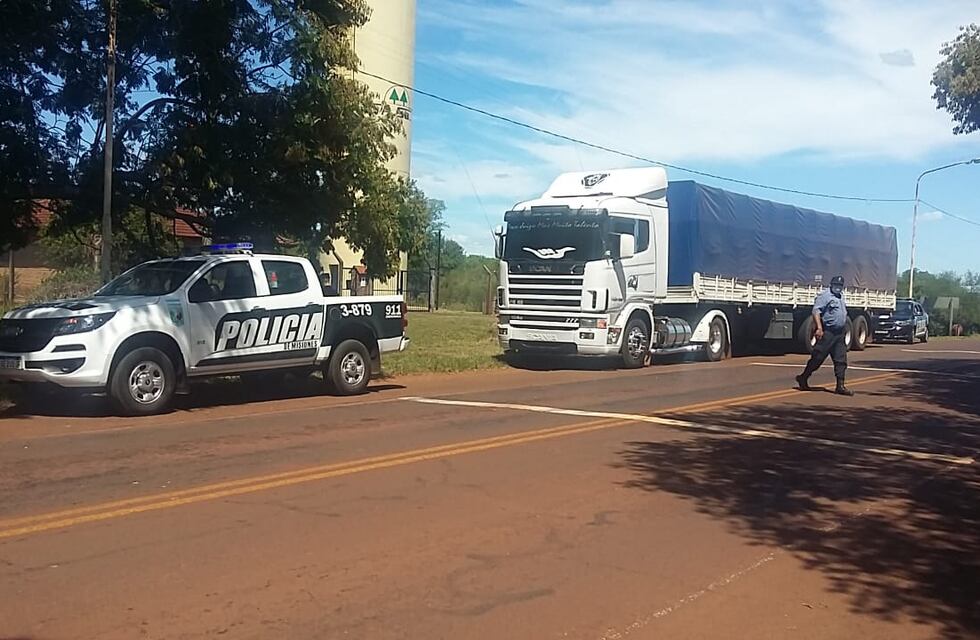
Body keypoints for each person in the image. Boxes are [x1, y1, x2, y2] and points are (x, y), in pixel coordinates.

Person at [796, 275, 853, 396]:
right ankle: (804, 377)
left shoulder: (840, 296)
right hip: (828, 332)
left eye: (840, 286)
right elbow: (816, 311)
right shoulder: (825, 296)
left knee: (841, 360)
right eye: (836, 285)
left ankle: (840, 385)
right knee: (818, 357)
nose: (838, 288)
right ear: (831, 285)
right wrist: (819, 328)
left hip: (839, 333)